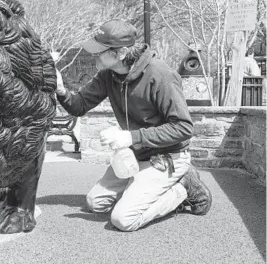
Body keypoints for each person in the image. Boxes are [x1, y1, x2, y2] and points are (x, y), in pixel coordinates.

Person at [55, 19, 212, 231]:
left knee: (123, 219)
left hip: (167, 157)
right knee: (96, 203)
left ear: (120, 54)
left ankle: (183, 187)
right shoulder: (108, 75)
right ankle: (144, 187)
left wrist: (131, 137)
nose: (94, 56)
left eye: (100, 51)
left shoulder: (161, 75)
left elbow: (184, 128)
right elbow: (79, 106)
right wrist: (61, 90)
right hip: (134, 157)